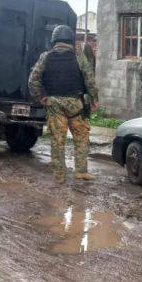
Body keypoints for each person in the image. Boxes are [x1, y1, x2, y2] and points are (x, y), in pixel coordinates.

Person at [28, 25, 99, 184]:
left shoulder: (45, 57)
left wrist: (41, 97)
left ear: (54, 40)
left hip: (54, 104)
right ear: (70, 40)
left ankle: (59, 176)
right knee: (81, 136)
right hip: (75, 104)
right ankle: (81, 171)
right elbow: (89, 79)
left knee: (58, 140)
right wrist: (94, 99)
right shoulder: (78, 56)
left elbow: (33, 80)